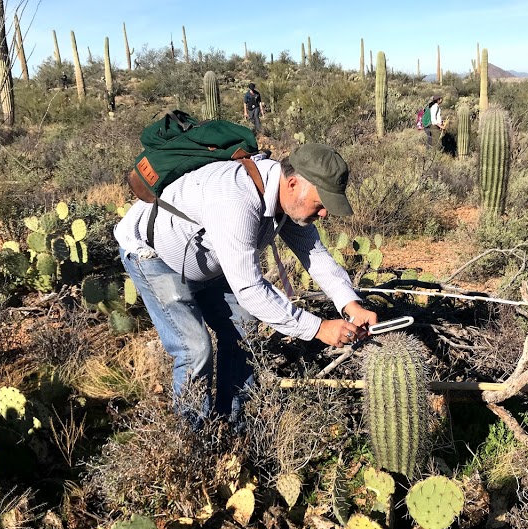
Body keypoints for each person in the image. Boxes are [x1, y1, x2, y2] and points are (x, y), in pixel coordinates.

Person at [115, 143, 378, 426]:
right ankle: (192, 440)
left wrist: (350, 304)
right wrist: (318, 328)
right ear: (292, 183)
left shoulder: (283, 198)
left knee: (244, 330)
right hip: (153, 255)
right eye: (321, 202)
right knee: (195, 349)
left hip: (205, 260)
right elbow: (250, 289)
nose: (325, 213)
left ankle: (230, 425)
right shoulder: (236, 200)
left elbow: (313, 253)